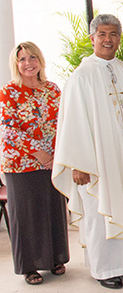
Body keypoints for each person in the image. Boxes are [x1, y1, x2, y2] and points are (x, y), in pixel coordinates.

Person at [52, 14, 123, 289]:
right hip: (96, 162)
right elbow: (73, 122)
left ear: (119, 39)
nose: (108, 39)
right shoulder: (81, 76)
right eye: (102, 34)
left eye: (113, 34)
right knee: (101, 213)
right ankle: (104, 268)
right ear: (92, 38)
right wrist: (78, 164)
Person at [1, 42, 68, 285]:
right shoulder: (9, 91)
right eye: (22, 59)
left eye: (32, 57)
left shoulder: (53, 89)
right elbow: (8, 130)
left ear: (40, 60)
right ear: (16, 64)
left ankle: (54, 259)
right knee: (26, 215)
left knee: (51, 209)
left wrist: (54, 154)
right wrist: (37, 153)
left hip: (52, 161)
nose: (28, 63)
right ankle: (29, 266)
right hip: (20, 164)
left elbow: (64, 123)